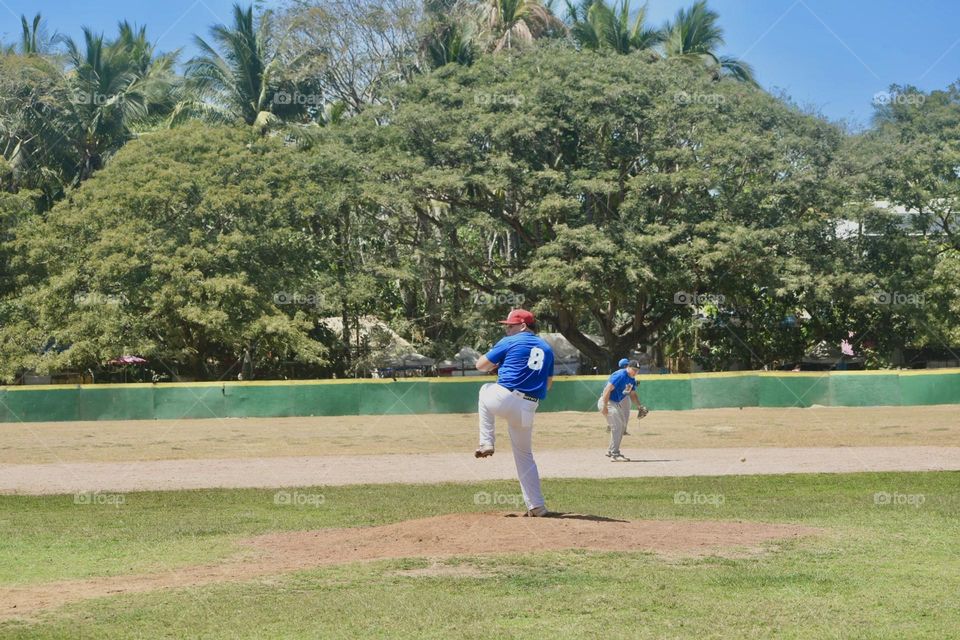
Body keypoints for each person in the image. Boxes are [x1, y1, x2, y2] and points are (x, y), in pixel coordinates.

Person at [474, 309, 555, 517]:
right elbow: (548, 385)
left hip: (505, 396)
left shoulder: (510, 341)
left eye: (510, 325)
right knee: (524, 456)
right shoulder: (547, 348)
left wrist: (498, 366)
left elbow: (480, 365)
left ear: (523, 326)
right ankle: (537, 506)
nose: (506, 328)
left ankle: (486, 442)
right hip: (529, 406)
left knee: (484, 390)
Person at [598, 359, 645, 461]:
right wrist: (605, 406)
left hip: (614, 403)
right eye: (634, 369)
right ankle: (615, 454)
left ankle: (611, 451)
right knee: (618, 427)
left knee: (622, 426)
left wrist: (639, 406)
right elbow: (607, 389)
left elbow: (632, 394)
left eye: (637, 370)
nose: (635, 372)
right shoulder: (620, 375)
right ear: (628, 367)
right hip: (607, 401)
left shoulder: (631, 379)